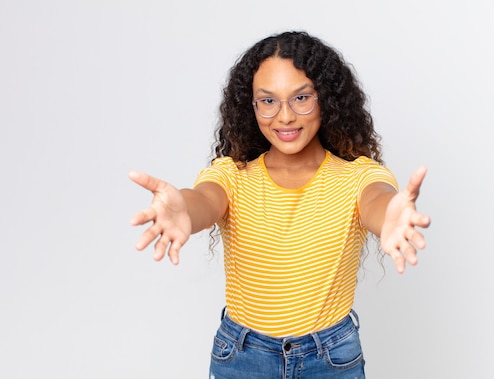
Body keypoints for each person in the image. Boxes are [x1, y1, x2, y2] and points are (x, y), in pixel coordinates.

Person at [129, 30, 431, 379]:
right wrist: (183, 207)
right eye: (268, 101)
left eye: (301, 97)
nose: (285, 116)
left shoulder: (358, 177)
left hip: (331, 359)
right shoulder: (232, 175)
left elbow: (377, 201)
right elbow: (204, 200)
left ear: (326, 100)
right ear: (251, 106)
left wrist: (390, 215)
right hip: (243, 358)